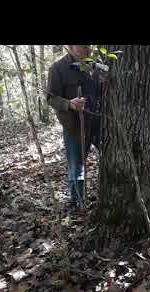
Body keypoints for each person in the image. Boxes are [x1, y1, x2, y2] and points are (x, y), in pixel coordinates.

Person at [46, 45, 101, 212]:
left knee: (112, 152)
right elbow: (51, 98)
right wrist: (69, 104)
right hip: (74, 125)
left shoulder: (95, 64)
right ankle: (77, 201)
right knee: (76, 165)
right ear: (70, 47)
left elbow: (100, 90)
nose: (85, 49)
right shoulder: (57, 68)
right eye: (81, 46)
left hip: (97, 121)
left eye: (87, 46)